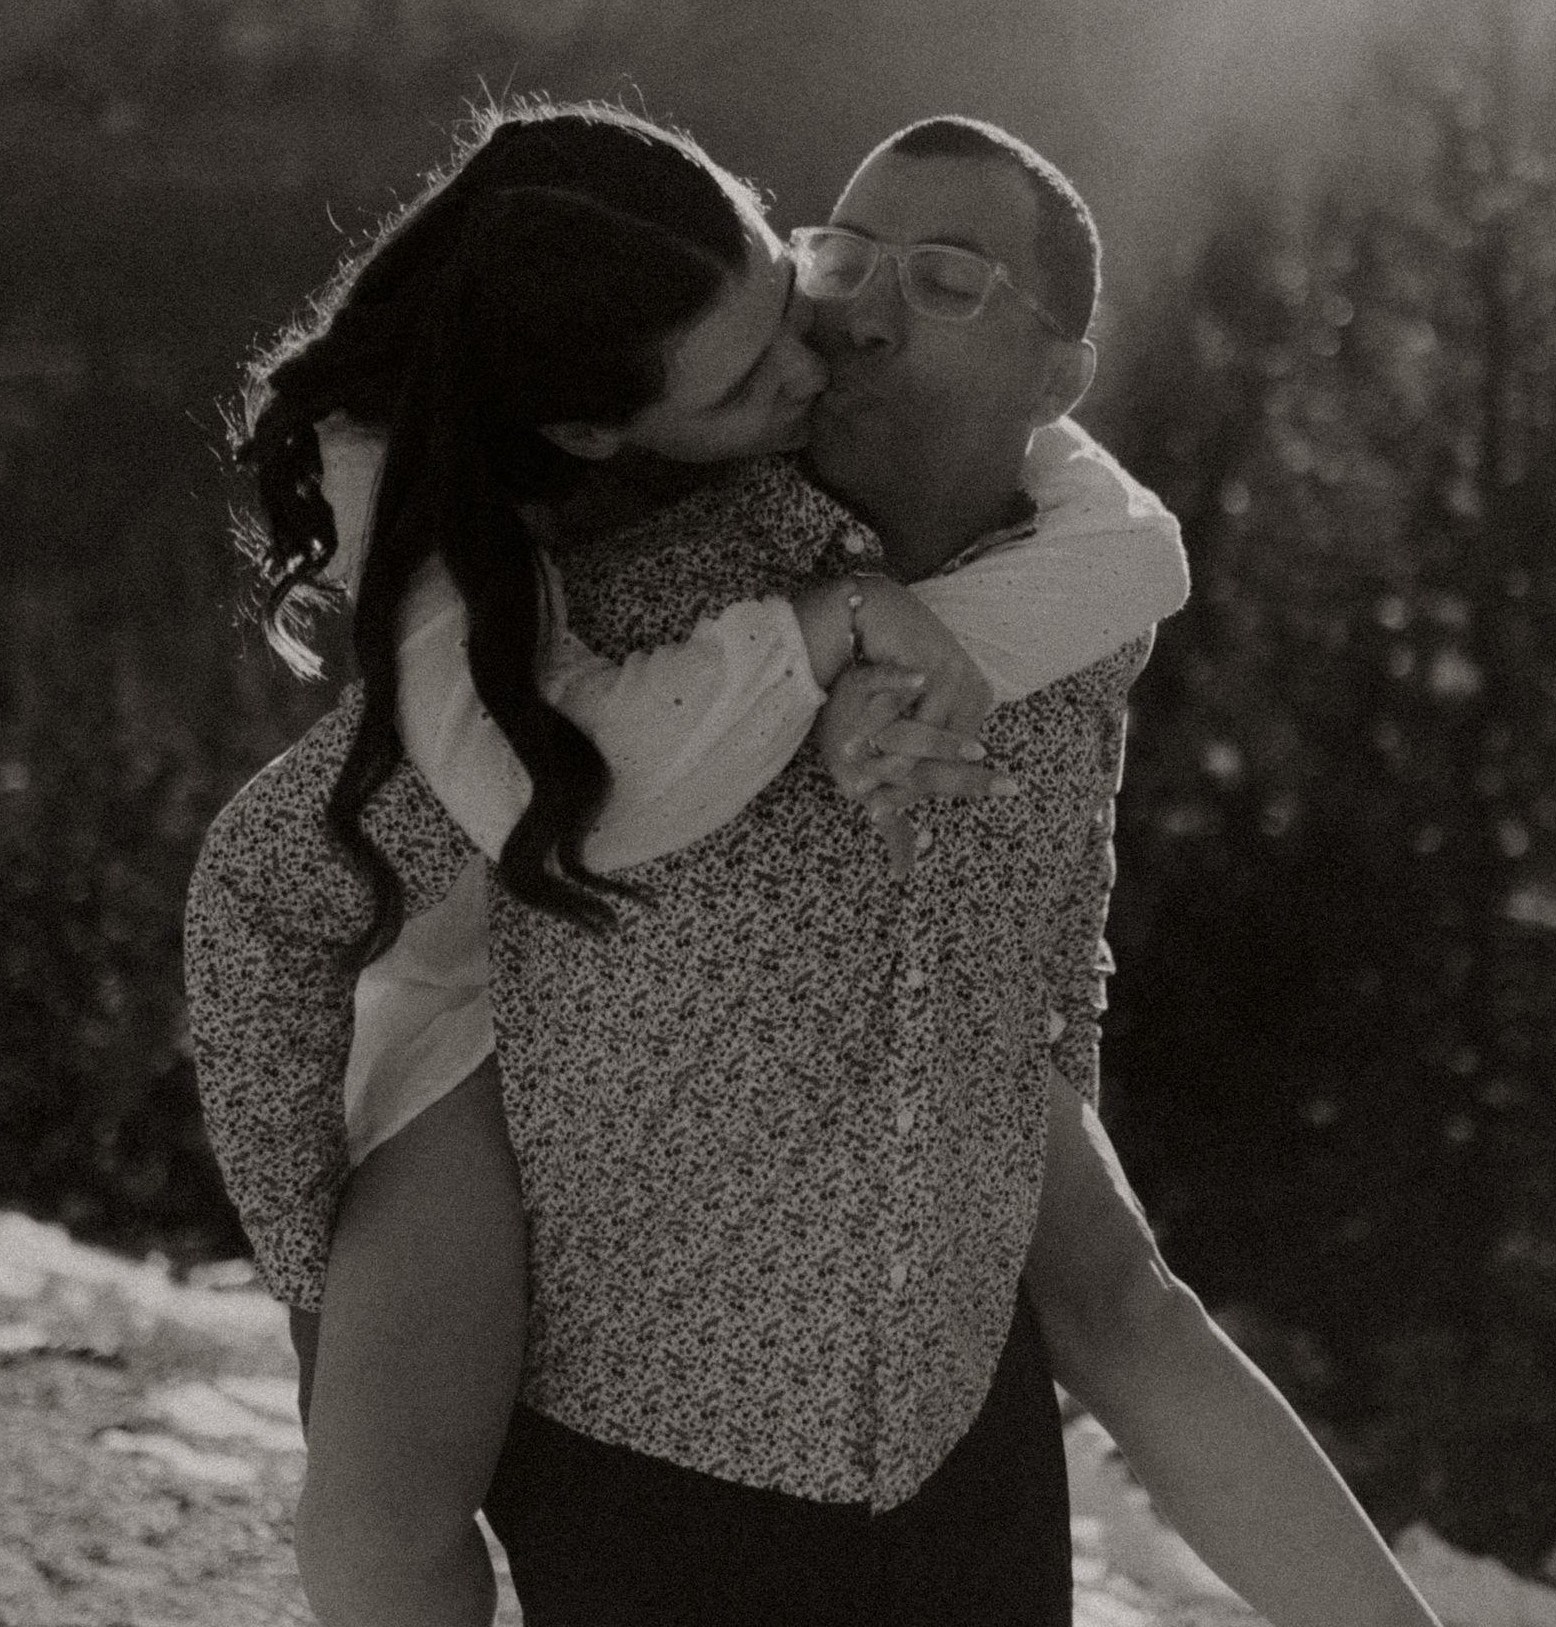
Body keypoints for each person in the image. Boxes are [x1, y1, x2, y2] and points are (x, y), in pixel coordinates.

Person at [186, 105, 1438, 1627]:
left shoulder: (1084, 612)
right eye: (843, 258)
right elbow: (273, 885)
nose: (858, 313)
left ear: (1059, 381)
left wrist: (1021, 1089)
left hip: (946, 1405)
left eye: (949, 279)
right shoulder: (619, 627)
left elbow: (1064, 907)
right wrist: (322, 1273)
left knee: (1136, 1305)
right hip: (653, 1430)